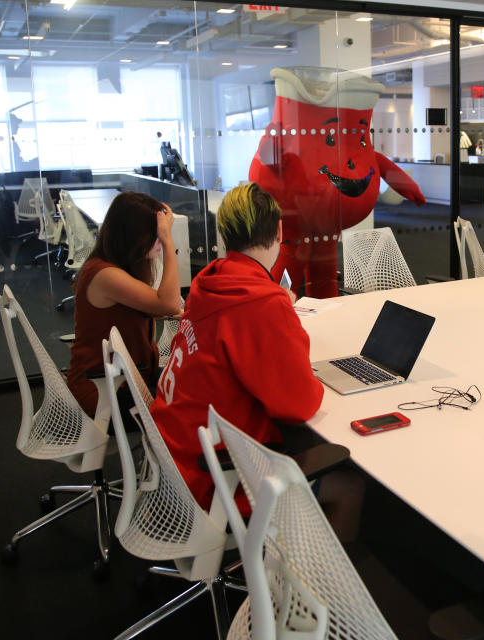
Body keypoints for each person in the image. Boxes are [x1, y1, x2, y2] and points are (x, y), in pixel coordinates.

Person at [150, 183, 362, 539]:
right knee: (350, 485)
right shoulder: (259, 303)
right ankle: (311, 591)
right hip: (213, 476)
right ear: (279, 231)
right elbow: (298, 404)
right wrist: (278, 312)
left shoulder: (211, 282)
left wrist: (273, 300)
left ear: (223, 234)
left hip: (174, 454)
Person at [66, 191, 181, 418]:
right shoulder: (105, 274)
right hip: (106, 392)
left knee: (190, 385)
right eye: (155, 235)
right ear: (135, 237)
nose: (159, 240)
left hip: (127, 378)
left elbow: (152, 308)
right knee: (191, 406)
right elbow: (168, 303)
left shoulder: (111, 267)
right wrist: (168, 243)